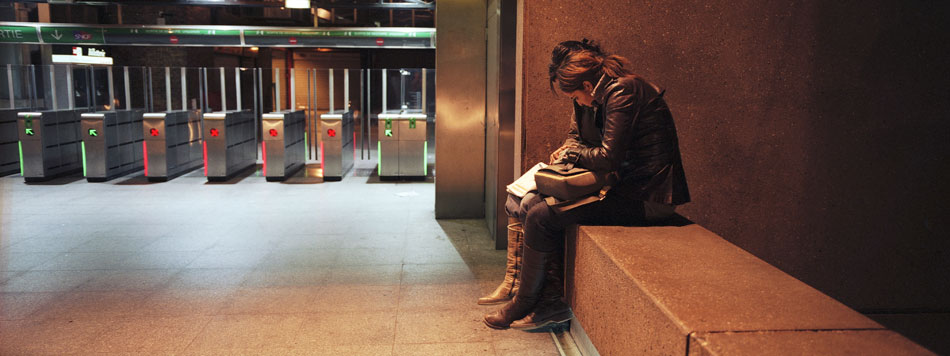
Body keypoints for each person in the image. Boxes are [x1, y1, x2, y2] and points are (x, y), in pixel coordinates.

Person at [483, 39, 691, 330]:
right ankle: (547, 301)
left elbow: (608, 157)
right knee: (531, 202)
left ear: (587, 85)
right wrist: (574, 150)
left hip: (648, 198)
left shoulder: (623, 91)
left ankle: (525, 303)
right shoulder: (605, 92)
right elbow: (586, 142)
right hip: (622, 188)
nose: (577, 102)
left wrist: (572, 153)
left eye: (575, 96)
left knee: (543, 216)